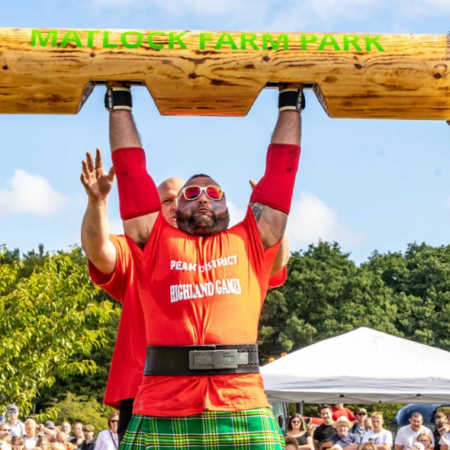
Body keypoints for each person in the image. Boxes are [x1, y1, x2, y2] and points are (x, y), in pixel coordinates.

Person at [81, 83, 304, 448]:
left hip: (241, 401)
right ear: (172, 210)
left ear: (230, 207)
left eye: (214, 193)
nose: (203, 197)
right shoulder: (154, 244)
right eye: (191, 193)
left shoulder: (249, 240)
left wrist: (290, 102)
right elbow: (132, 172)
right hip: (162, 403)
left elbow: (281, 174)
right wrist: (119, 99)